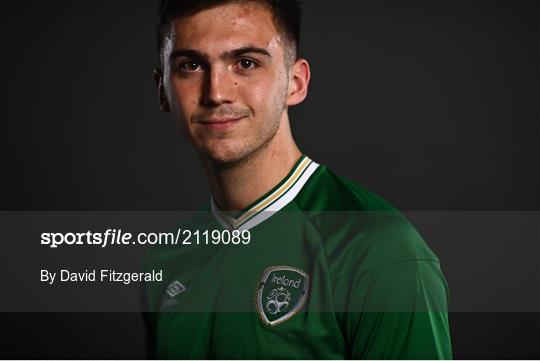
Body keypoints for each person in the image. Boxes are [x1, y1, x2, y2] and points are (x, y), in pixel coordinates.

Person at [143, 0, 453, 359]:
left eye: (246, 63)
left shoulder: (380, 252)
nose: (216, 92)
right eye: (191, 65)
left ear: (296, 82)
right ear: (162, 90)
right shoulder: (167, 259)